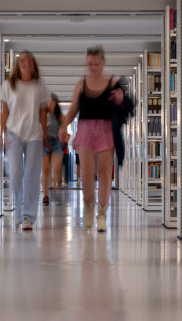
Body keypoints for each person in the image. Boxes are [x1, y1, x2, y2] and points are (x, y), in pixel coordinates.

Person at [59, 45, 124, 232]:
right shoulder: (81, 84)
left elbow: (125, 108)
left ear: (103, 63)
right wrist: (64, 126)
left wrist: (120, 100)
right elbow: (73, 109)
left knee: (104, 173)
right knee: (86, 174)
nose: (93, 67)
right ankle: (88, 207)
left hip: (105, 130)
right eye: (90, 64)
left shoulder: (112, 82)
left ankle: (102, 215)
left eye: (96, 63)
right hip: (86, 130)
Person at [1, 51, 49, 231]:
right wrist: (2, 134)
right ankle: (20, 211)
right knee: (15, 174)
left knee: (32, 176)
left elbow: (43, 112)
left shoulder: (39, 86)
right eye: (22, 60)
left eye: (29, 61)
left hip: (34, 135)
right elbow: (4, 112)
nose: (25, 63)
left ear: (33, 66)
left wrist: (44, 134)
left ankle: (27, 216)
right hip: (13, 133)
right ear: (17, 65)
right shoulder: (8, 85)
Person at [41, 93, 64, 205]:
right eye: (48, 101)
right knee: (45, 170)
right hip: (44, 143)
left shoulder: (58, 116)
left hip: (55, 142)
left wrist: (65, 135)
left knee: (56, 169)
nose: (50, 103)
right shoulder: (43, 114)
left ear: (56, 103)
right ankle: (45, 196)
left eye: (52, 101)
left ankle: (55, 190)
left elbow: (65, 125)